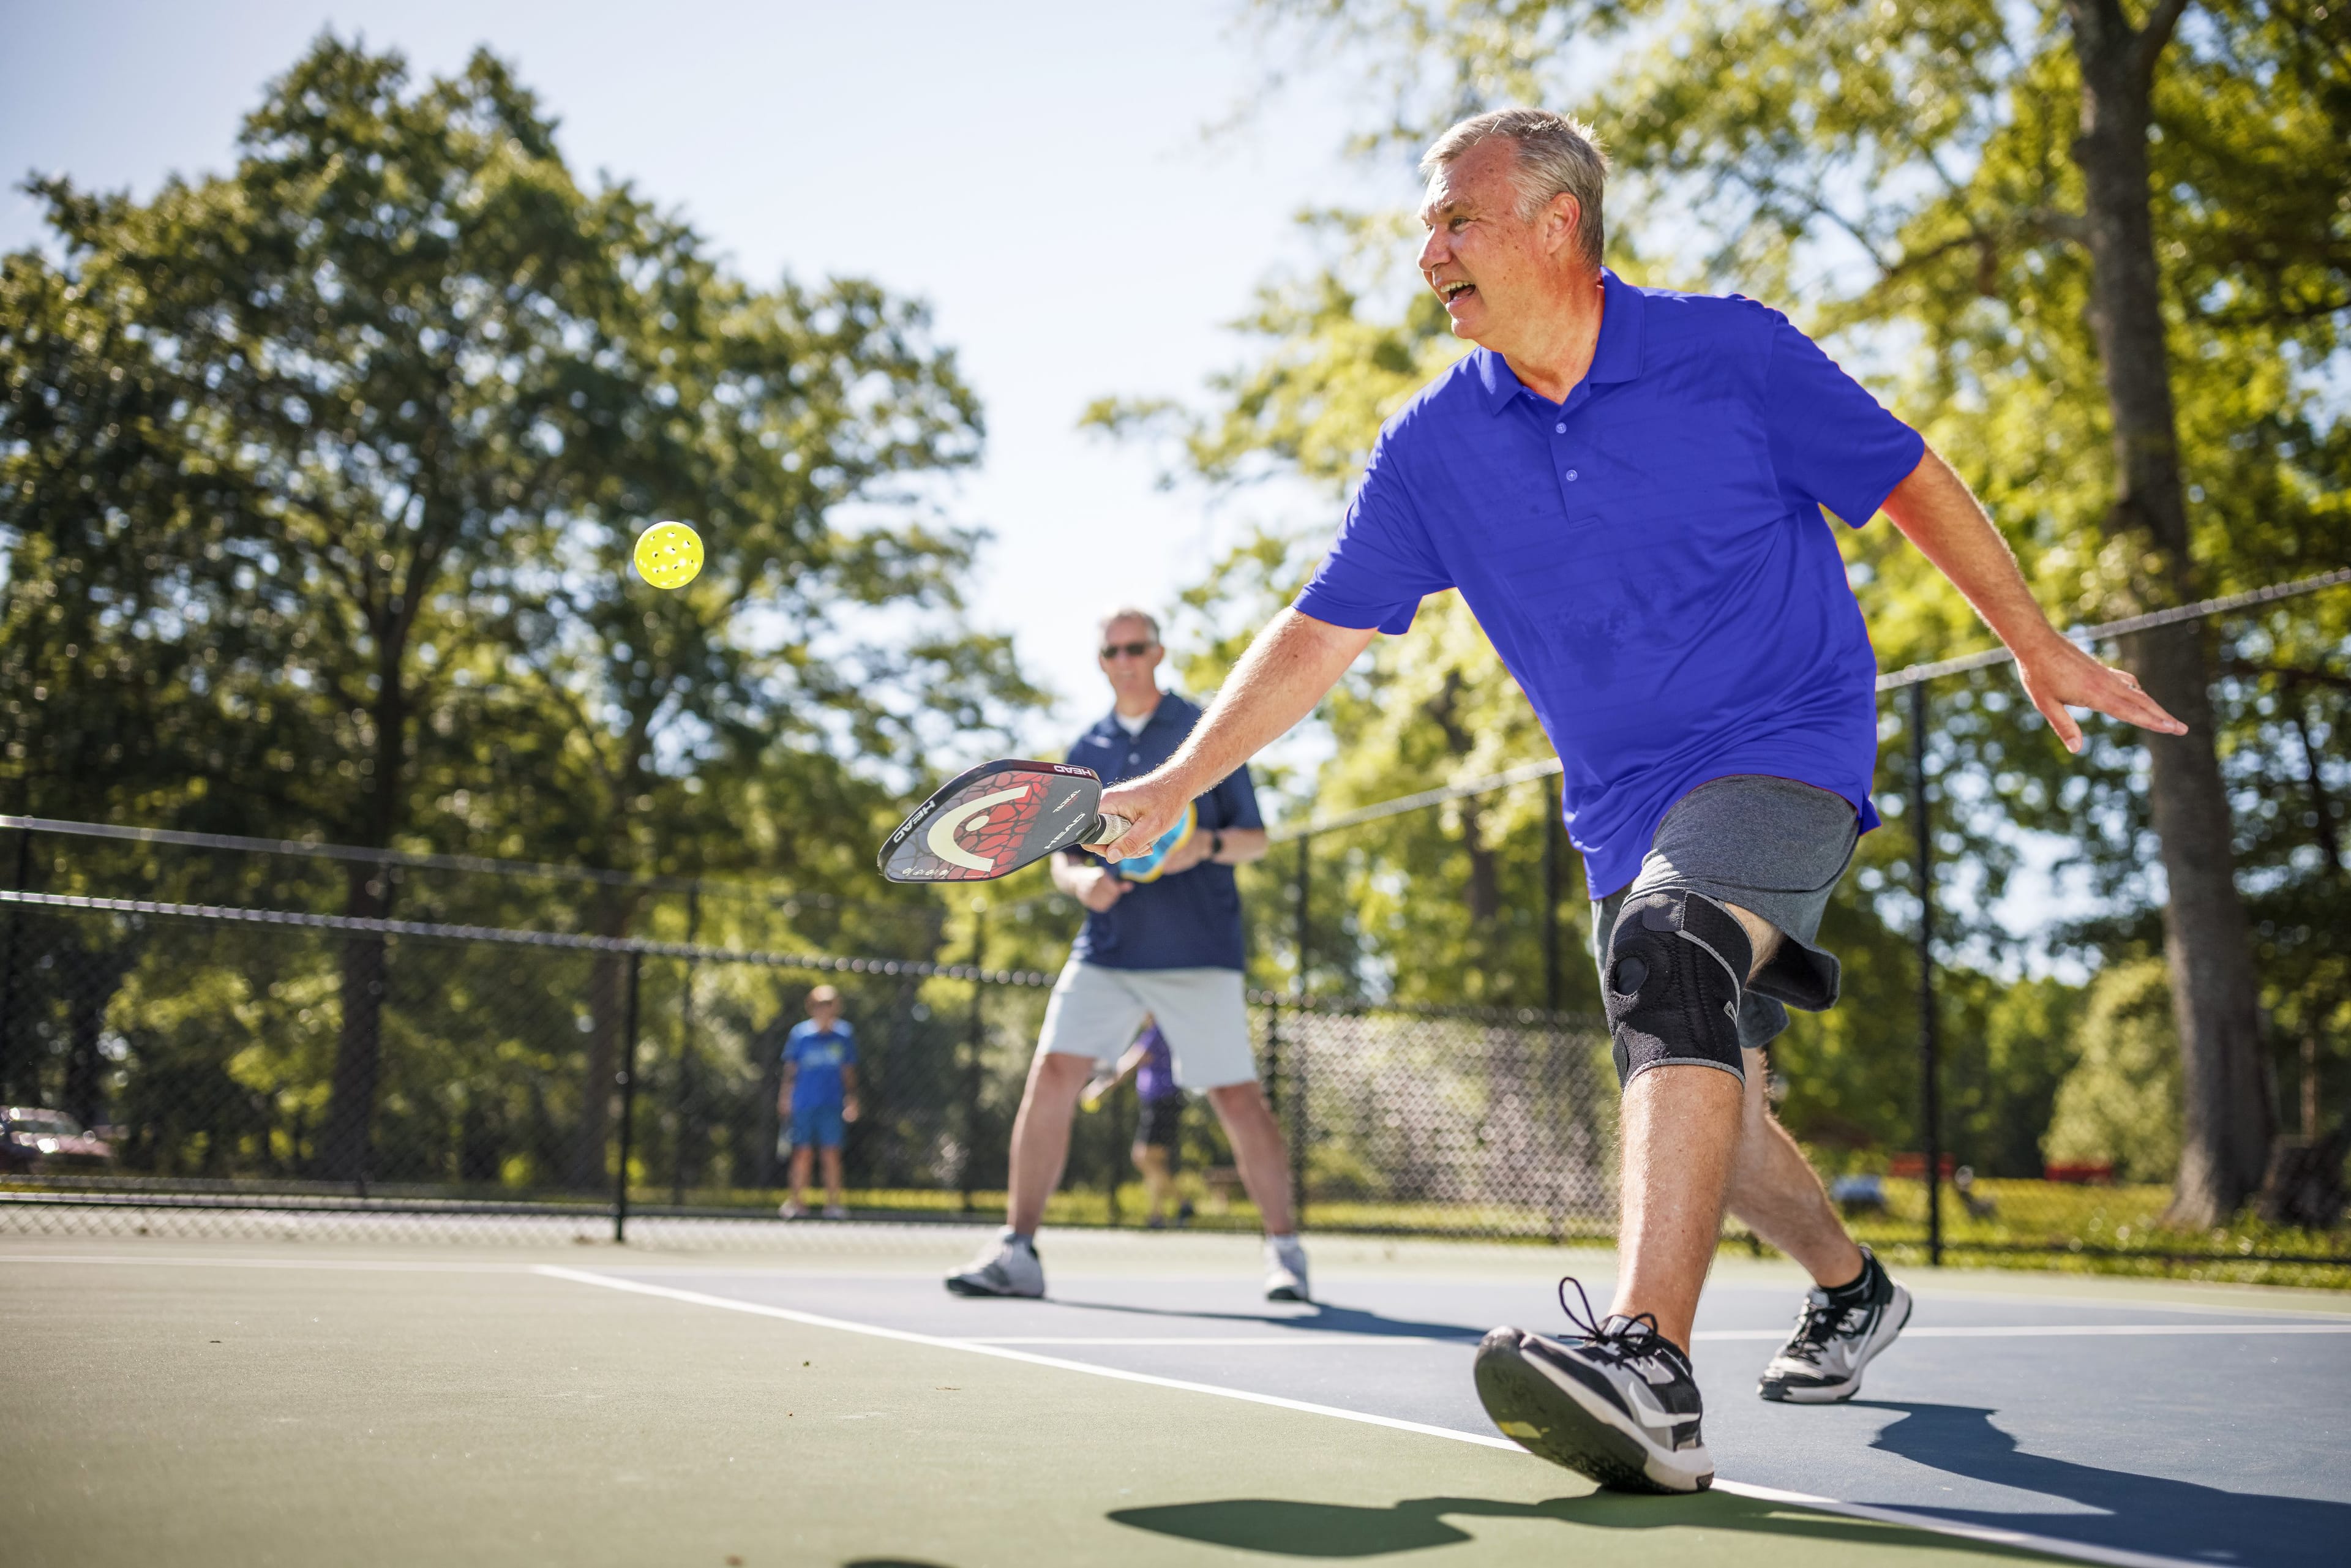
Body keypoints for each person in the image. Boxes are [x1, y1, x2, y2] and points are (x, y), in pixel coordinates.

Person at [1093, 110, 2185, 1493]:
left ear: (1557, 224)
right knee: (1681, 1063)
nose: (1427, 253)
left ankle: (1646, 1364)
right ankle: (1850, 1285)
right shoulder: (1432, 444)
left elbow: (1903, 473)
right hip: (1620, 799)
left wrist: (2031, 635)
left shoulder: (1728, 352)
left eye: (1453, 222)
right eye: (1425, 229)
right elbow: (1318, 628)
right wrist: (1176, 779)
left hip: (1784, 742)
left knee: (1667, 963)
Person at [946, 609, 1310, 1302]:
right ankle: (1017, 1249)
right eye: (1112, 650)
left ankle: (1286, 1252)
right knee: (1053, 1072)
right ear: (1102, 660)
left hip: (1199, 950)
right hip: (1107, 952)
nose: (1125, 658)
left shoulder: (1206, 729)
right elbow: (1062, 860)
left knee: (1235, 1096)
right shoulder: (1087, 749)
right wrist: (1082, 880)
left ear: (1158, 652)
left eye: (1136, 646)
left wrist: (1204, 846)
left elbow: (1255, 839)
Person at [1081, 1020, 1192, 1229]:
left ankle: (1182, 1202)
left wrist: (1098, 1088)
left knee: (1143, 1158)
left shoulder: (1158, 1032)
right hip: (1162, 1102)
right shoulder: (1156, 1032)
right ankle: (1157, 1215)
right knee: (1155, 1163)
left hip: (1162, 1103)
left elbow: (1128, 1063)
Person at [777, 985, 860, 1220]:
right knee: (802, 1153)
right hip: (803, 1103)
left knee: (831, 1154)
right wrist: (785, 1098)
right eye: (820, 1004)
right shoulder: (800, 1035)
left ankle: (833, 1205)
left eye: (829, 1004)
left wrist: (852, 1099)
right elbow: (791, 1070)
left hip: (832, 1104)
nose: (825, 1009)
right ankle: (796, 1203)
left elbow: (849, 1071)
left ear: (836, 1007)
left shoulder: (844, 1035)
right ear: (811, 1007)